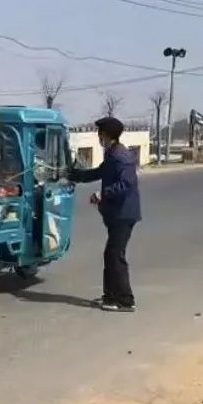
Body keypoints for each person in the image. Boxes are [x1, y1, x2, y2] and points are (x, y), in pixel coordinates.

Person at [69, 117, 141, 312]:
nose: (98, 137)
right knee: (110, 255)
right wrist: (73, 175)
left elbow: (127, 184)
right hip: (115, 214)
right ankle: (110, 297)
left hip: (124, 214)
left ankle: (126, 300)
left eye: (100, 133)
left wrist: (102, 194)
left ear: (107, 135)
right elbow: (98, 173)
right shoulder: (112, 154)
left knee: (115, 255)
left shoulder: (121, 156)